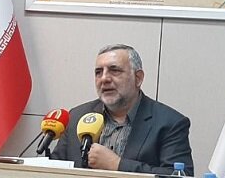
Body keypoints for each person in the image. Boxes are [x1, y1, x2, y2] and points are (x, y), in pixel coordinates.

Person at [51, 44, 194, 175]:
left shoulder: (170, 123)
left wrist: (117, 164)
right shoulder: (77, 117)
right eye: (98, 72)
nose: (104, 78)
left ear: (138, 78)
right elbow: (52, 170)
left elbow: (180, 175)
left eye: (114, 70)